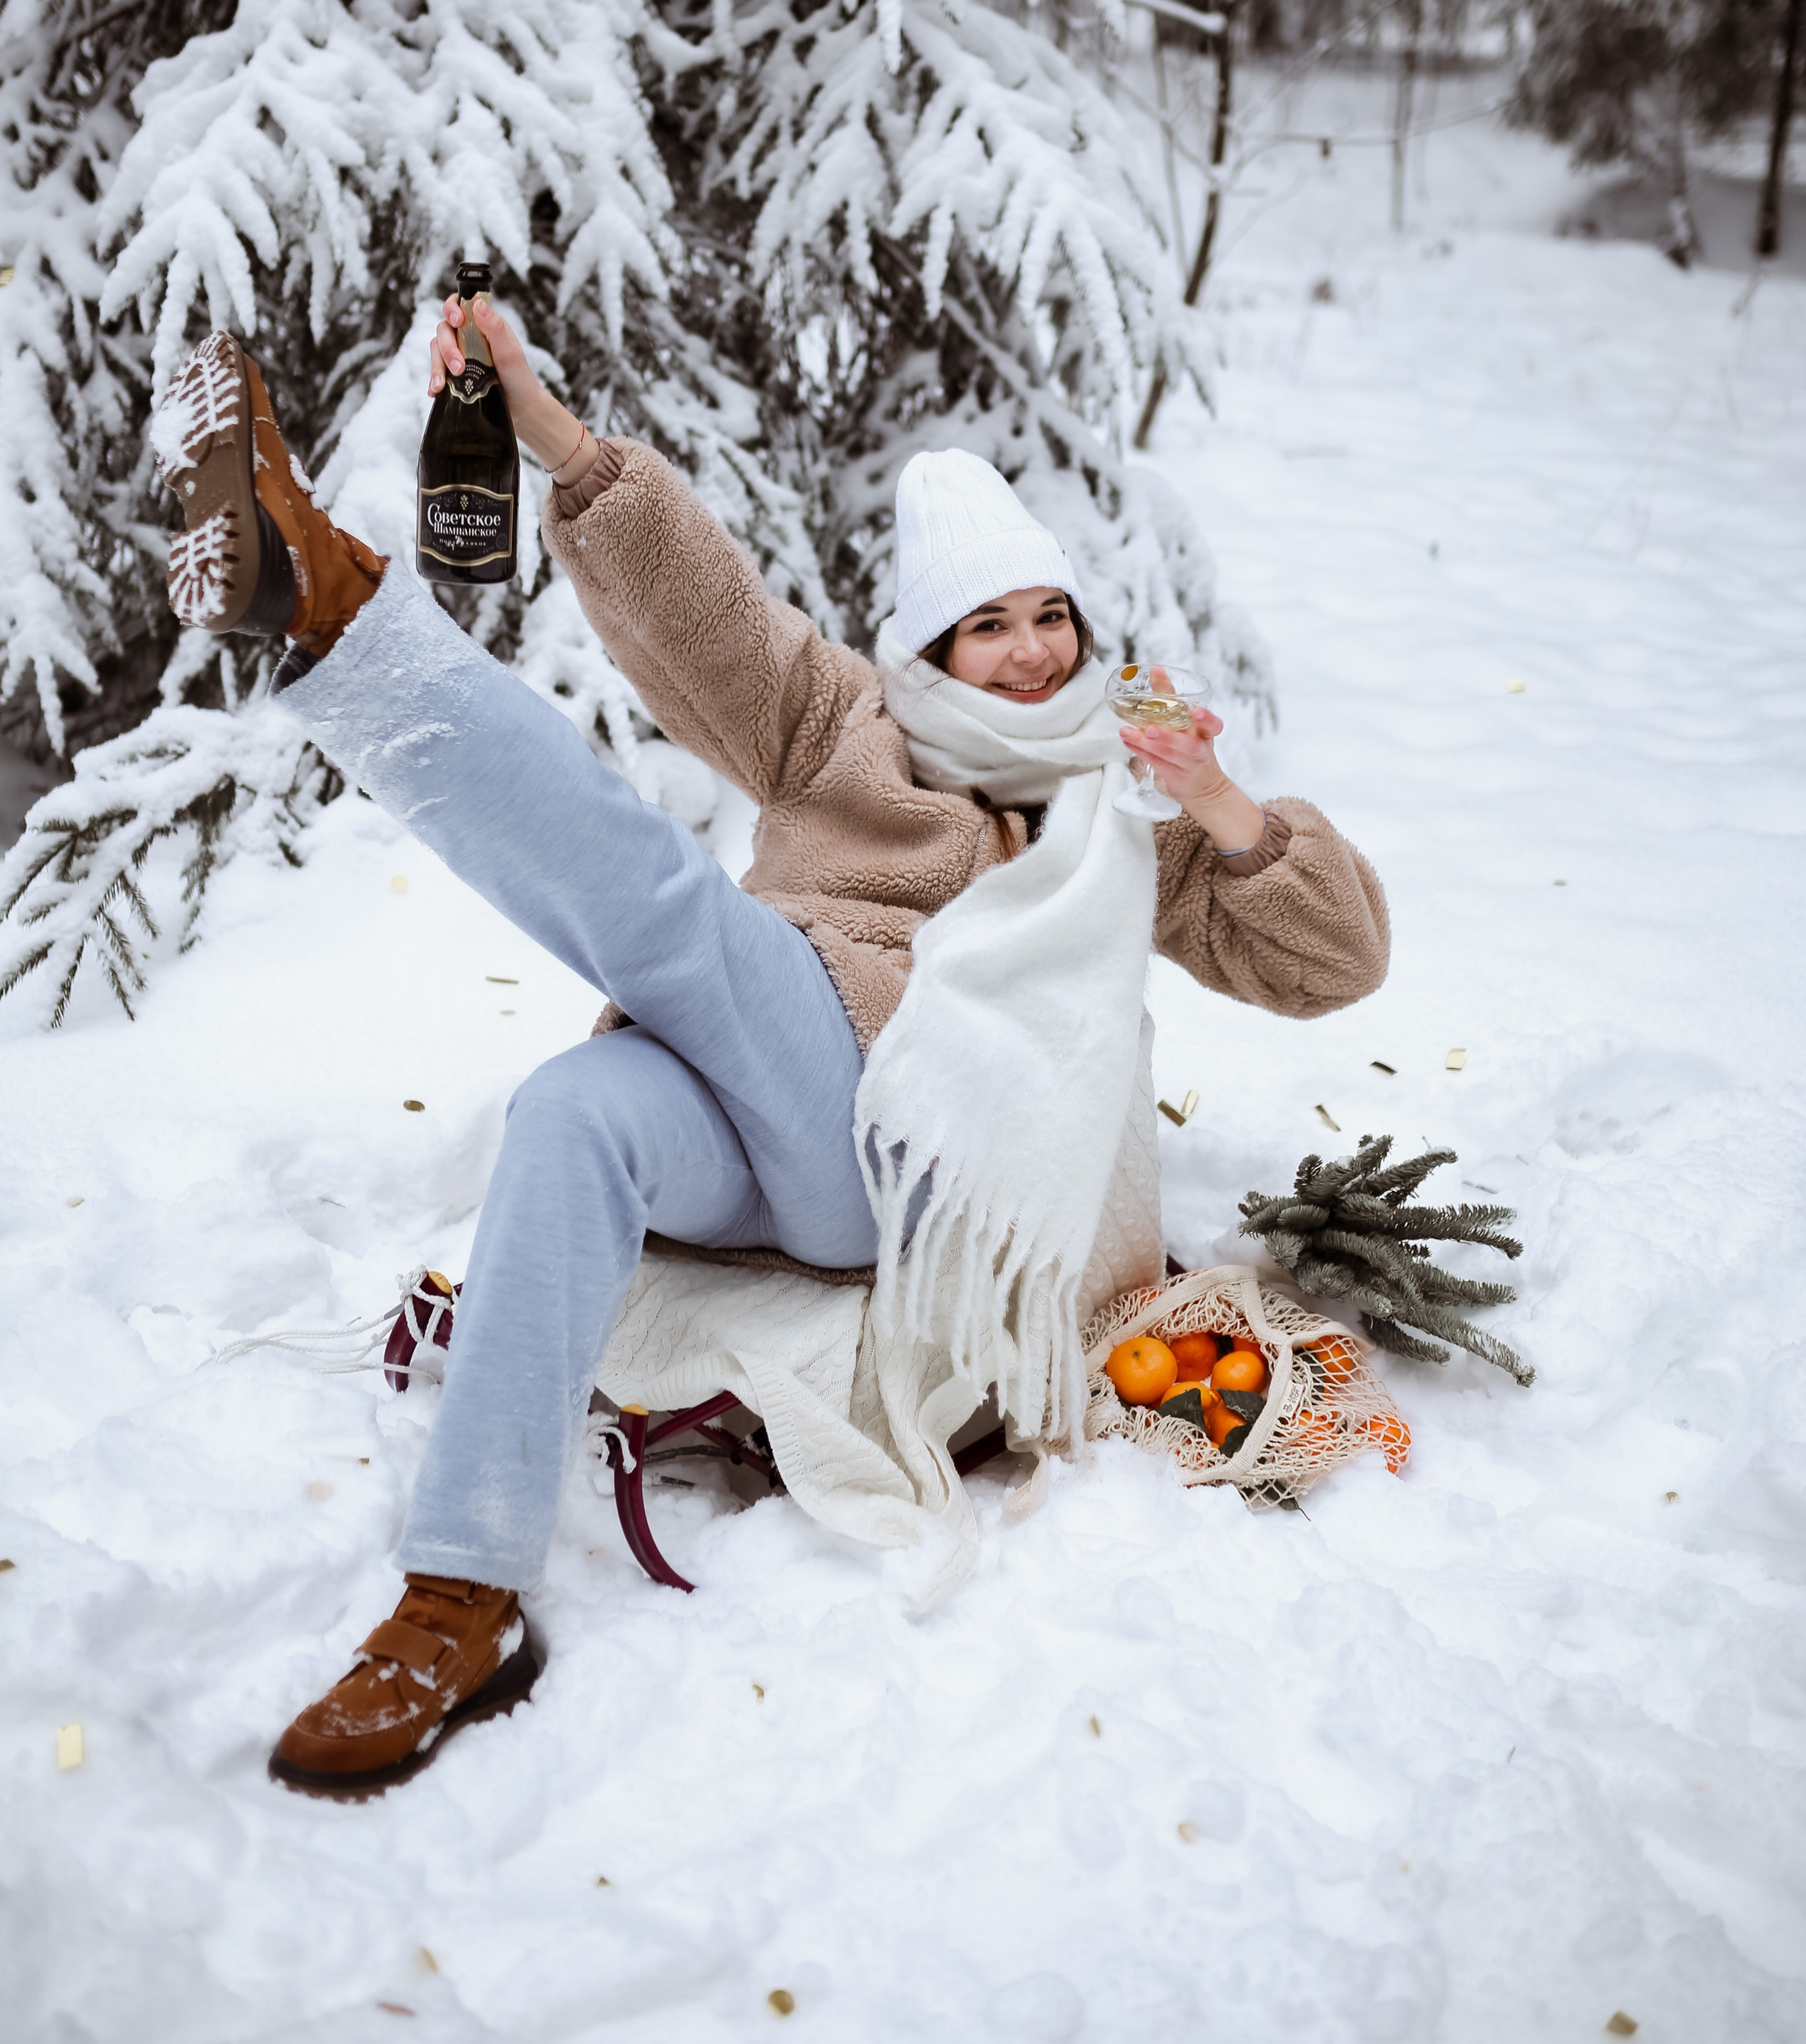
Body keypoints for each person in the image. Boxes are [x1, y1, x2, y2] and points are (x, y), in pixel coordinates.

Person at [153, 298, 1388, 1798]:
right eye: (982, 624)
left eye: (1045, 617)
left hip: (913, 1163)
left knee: (677, 920)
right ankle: (457, 1598)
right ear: (925, 644)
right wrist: (549, 436)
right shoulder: (834, 727)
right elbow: (698, 606)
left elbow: (1335, 963)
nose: (1022, 652)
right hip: (752, 1126)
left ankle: (342, 622)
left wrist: (1219, 802)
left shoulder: (1113, 824)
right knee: (571, 1111)